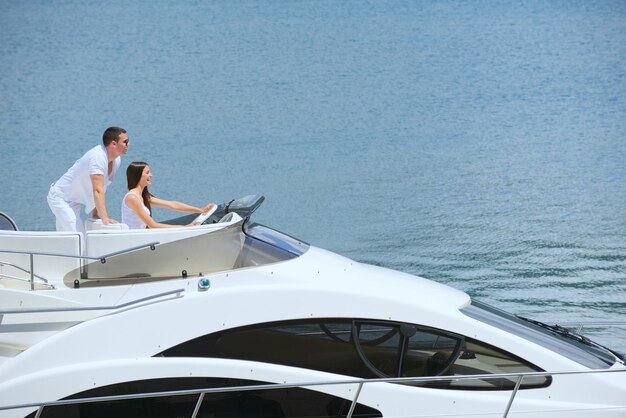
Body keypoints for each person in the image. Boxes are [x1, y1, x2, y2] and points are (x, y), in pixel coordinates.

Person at [47, 127, 129, 232]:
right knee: (78, 235)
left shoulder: (116, 160)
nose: (128, 144)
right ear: (114, 144)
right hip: (60, 198)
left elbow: (102, 187)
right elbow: (97, 190)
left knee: (66, 237)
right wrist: (105, 218)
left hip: (74, 202)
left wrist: (96, 214)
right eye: (125, 142)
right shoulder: (97, 157)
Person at [122, 161, 215, 229]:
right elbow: (153, 225)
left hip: (143, 237)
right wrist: (185, 228)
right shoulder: (132, 198)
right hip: (135, 240)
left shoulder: (143, 196)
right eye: (147, 173)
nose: (151, 175)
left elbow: (172, 205)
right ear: (138, 176)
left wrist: (200, 210)